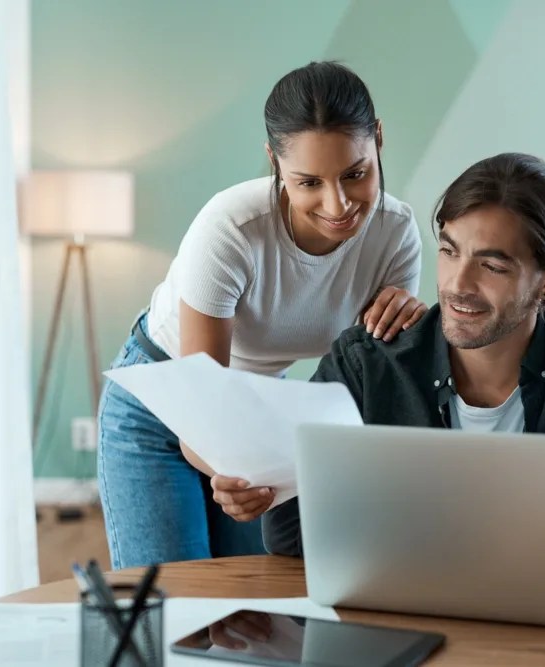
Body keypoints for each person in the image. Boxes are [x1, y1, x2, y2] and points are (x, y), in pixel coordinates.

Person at [214, 152, 545, 588]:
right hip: (395, 634)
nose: (458, 285)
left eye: (493, 265)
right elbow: (290, 541)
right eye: (449, 251)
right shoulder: (369, 363)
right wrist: (264, 488)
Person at [97, 61, 426, 569]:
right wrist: (245, 475)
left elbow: (380, 388)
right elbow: (200, 412)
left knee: (249, 612)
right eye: (309, 182)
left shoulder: (395, 234)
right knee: (175, 611)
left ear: (378, 139)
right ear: (273, 161)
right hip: (161, 404)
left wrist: (415, 330)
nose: (338, 204)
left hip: (249, 416)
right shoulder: (231, 229)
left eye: (355, 174)